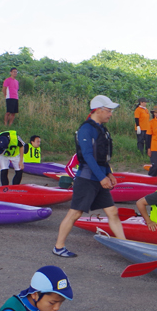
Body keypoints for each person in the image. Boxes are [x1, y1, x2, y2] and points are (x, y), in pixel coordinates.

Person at [53, 95, 126, 257]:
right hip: (87, 179)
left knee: (112, 211)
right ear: (98, 110)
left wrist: (109, 173)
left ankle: (126, 247)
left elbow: (101, 156)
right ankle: (58, 247)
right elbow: (87, 155)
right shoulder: (86, 129)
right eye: (108, 110)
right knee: (75, 214)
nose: (111, 114)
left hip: (100, 177)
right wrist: (102, 177)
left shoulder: (101, 129)